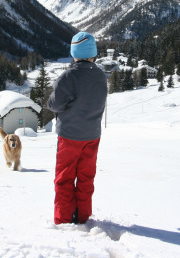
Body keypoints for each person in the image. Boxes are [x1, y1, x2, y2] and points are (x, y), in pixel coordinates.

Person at [47, 31, 108, 225]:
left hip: (69, 136)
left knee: (64, 178)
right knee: (86, 177)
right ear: (93, 54)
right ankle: (83, 218)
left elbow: (54, 105)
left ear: (74, 53)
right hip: (92, 136)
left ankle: (64, 220)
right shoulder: (101, 76)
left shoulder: (68, 77)